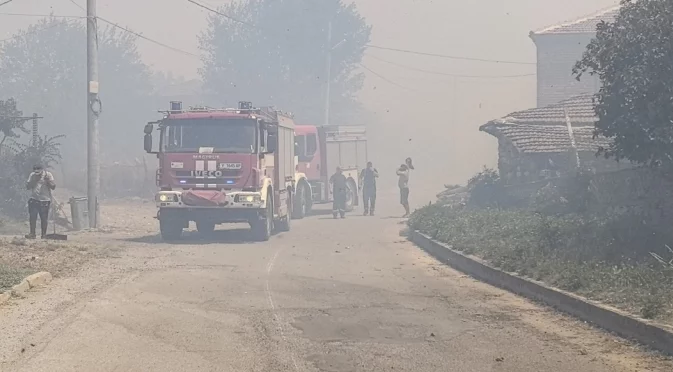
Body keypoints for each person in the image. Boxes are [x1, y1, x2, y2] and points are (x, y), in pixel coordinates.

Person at [25, 164, 56, 239]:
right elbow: (28, 187)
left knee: (44, 218)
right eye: (36, 172)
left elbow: (53, 187)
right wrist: (33, 180)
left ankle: (43, 235)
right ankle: (32, 234)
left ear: (42, 170)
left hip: (44, 200)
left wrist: (47, 180)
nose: (37, 174)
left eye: (38, 172)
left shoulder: (48, 175)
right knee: (32, 217)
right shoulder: (32, 175)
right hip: (34, 199)